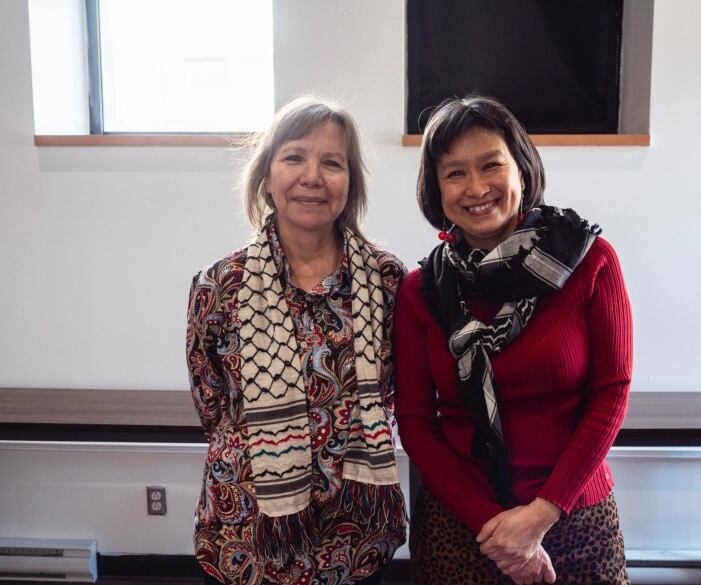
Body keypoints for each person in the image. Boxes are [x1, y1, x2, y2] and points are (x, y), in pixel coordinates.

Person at [395, 96, 633, 585]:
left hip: (574, 516)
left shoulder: (589, 261)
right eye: (455, 173)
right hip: (463, 525)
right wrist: (493, 527)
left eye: (491, 165)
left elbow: (611, 393)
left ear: (521, 170)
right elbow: (416, 422)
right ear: (435, 190)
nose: (476, 187)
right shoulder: (421, 290)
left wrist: (540, 515)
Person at [186, 96, 407, 585]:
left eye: (332, 162)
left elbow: (403, 391)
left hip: (355, 535)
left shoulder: (391, 281)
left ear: (351, 184)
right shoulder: (220, 284)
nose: (313, 176)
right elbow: (211, 401)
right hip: (247, 533)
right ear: (267, 175)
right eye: (294, 157)